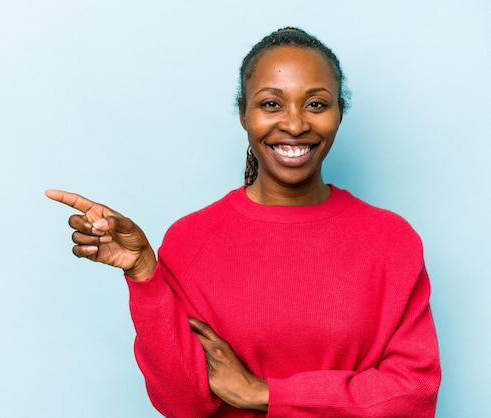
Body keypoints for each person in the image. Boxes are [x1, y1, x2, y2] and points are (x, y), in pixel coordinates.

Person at [46, 27, 441, 417]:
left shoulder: (391, 240)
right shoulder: (192, 239)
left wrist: (264, 394)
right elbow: (184, 404)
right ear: (243, 114)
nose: (294, 124)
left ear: (340, 112)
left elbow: (413, 396)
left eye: (316, 105)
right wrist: (144, 275)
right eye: (271, 104)